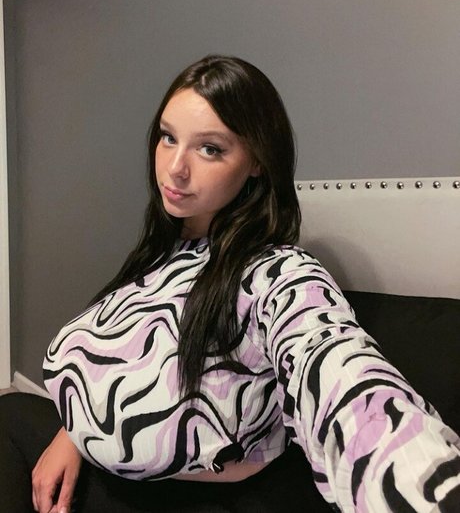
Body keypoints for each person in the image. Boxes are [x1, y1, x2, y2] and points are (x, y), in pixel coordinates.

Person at [1, 55, 459, 513]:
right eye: (168, 137)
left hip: (171, 496)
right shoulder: (167, 250)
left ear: (257, 160)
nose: (174, 167)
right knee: (13, 409)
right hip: (87, 459)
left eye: (210, 149)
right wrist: (73, 436)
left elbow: (345, 385)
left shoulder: (278, 274)